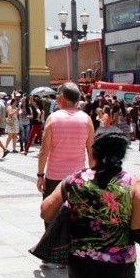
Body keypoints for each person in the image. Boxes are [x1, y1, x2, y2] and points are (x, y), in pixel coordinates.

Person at [40, 126, 140, 278]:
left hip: (81, 264)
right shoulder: (132, 184)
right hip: (118, 269)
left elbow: (46, 212)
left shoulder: (74, 180)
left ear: (94, 150)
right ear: (121, 154)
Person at [37, 82, 96, 265]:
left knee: (50, 213)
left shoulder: (53, 118)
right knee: (76, 215)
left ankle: (53, 253)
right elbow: (91, 150)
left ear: (62, 97)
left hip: (55, 176)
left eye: (57, 96)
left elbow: (44, 150)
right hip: (79, 176)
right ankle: (73, 253)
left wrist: (40, 174)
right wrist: (93, 174)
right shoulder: (86, 119)